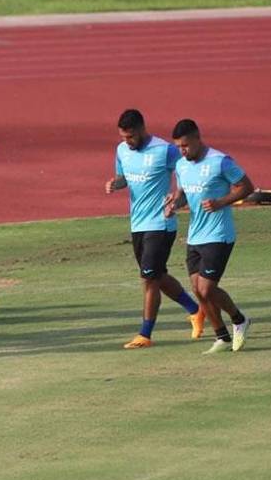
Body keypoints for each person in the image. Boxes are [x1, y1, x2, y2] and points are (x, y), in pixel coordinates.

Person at [104, 109, 205, 349]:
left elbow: (185, 168)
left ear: (141, 129)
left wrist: (179, 196)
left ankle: (145, 334)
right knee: (156, 276)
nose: (126, 142)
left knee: (148, 279)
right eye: (123, 137)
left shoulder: (164, 150)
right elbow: (123, 178)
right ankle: (196, 310)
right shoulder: (121, 151)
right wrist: (115, 184)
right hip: (137, 223)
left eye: (130, 137)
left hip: (161, 223)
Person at [166, 119, 254, 354]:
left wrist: (220, 202)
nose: (182, 151)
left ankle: (239, 320)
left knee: (206, 289)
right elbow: (182, 195)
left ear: (197, 138)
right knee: (197, 289)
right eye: (178, 147)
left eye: (185, 145)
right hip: (195, 236)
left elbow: (247, 187)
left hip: (219, 235)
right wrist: (174, 204)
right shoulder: (182, 166)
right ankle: (222, 337)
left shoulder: (220, 161)